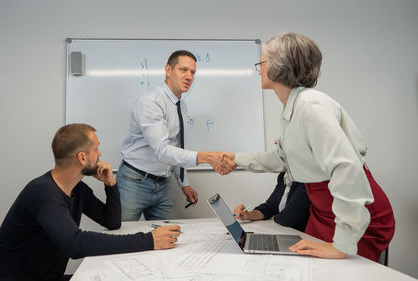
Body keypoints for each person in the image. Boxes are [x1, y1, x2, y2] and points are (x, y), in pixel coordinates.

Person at [222, 32, 395, 262]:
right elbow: (282, 158)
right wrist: (235, 159)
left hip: (355, 215)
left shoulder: (311, 106)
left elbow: (346, 169)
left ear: (279, 65)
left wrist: (341, 246)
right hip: (324, 212)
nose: (259, 69)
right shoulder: (292, 108)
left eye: (262, 62)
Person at [0, 124, 181, 281]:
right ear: (82, 157)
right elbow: (76, 244)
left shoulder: (76, 188)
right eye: (96, 149)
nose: (100, 154)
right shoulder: (43, 192)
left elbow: (111, 222)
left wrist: (111, 185)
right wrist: (148, 240)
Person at [118, 50, 232, 221]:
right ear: (168, 70)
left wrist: (184, 185)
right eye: (183, 70)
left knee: (169, 237)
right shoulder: (151, 101)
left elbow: (176, 148)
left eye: (193, 72)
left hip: (163, 184)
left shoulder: (182, 106)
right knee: (122, 237)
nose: (189, 76)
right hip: (135, 181)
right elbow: (163, 151)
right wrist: (205, 157)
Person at [232, 171, 310, 232]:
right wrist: (249, 215)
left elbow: (288, 218)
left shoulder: (306, 179)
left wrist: (273, 217)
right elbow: (270, 206)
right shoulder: (284, 176)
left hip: (300, 237)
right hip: (282, 231)